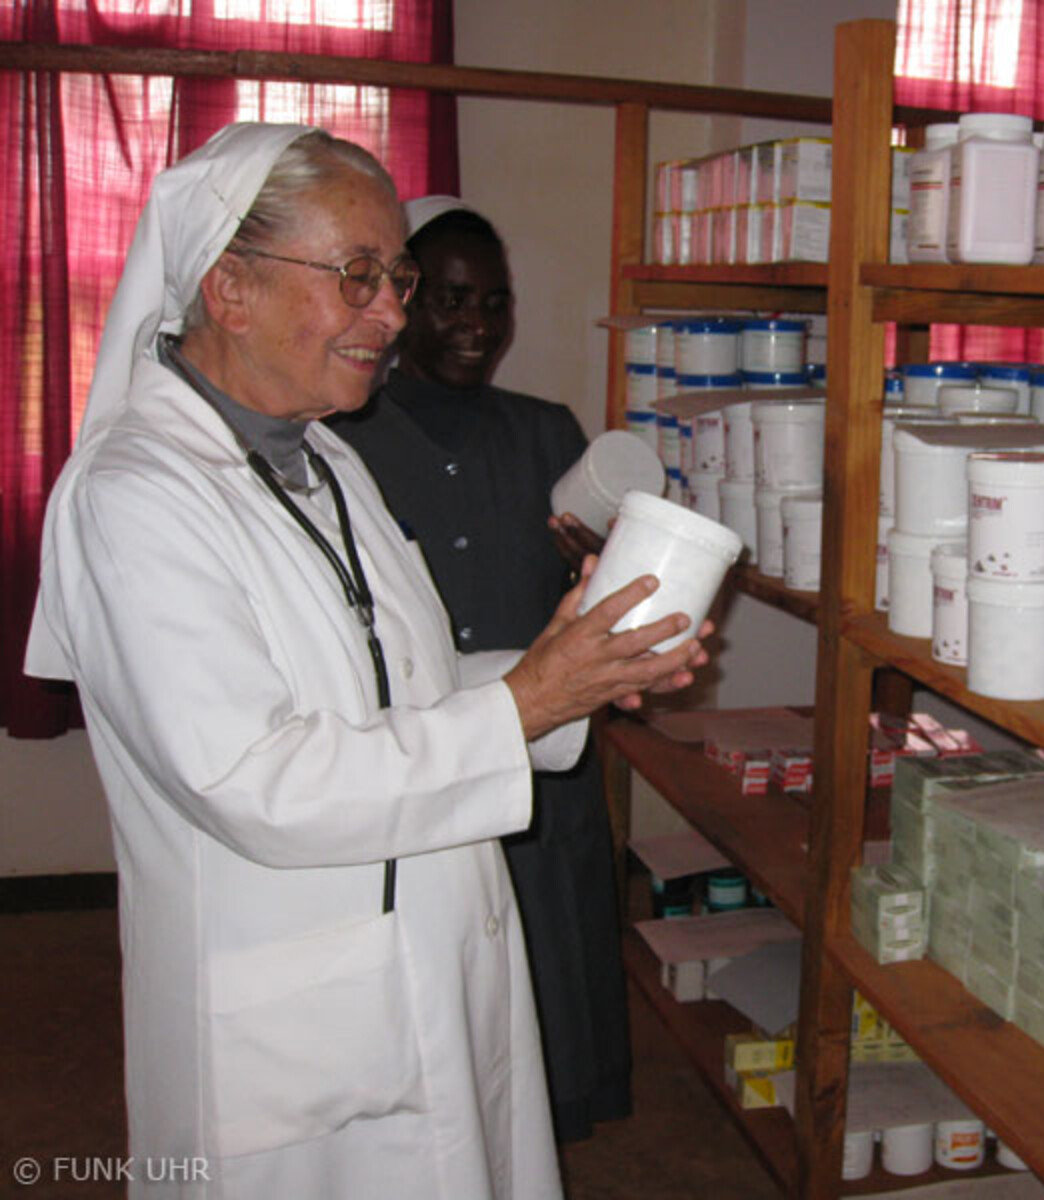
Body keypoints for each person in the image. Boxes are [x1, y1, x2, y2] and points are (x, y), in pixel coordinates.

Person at [25, 123, 710, 1199]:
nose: (391, 312)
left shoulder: (326, 455)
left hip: (435, 954)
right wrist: (526, 704)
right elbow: (253, 780)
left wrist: (571, 664)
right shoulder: (135, 497)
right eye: (359, 276)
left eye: (394, 276)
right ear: (228, 285)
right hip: (296, 1016)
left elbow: (408, 690)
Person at [332, 199, 631, 1143]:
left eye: (495, 303)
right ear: (405, 300)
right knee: (430, 1004)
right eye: (452, 299)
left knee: (549, 968)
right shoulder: (340, 439)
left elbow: (597, 605)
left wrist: (603, 559)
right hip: (412, 767)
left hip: (541, 764)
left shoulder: (547, 433)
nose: (476, 324)